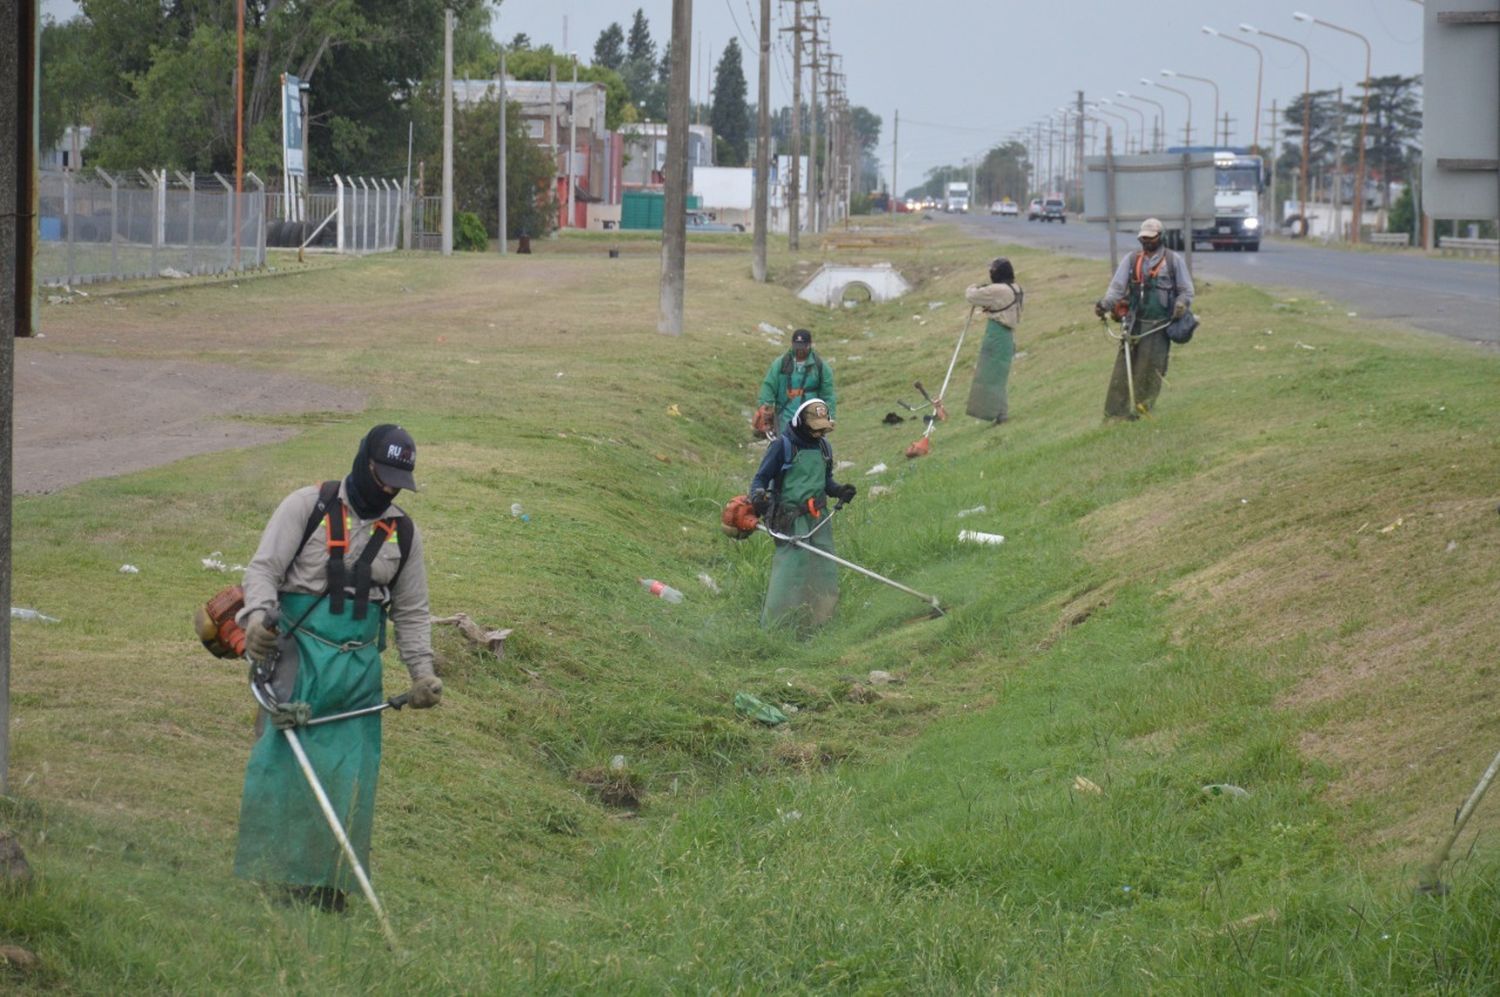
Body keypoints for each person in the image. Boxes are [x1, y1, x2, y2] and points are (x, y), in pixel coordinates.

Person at [233, 424, 441, 911]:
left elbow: (410, 611)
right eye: (381, 475)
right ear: (362, 461)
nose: (387, 488)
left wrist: (421, 672)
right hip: (296, 658)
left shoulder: (404, 533)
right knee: (284, 767)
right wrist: (260, 617)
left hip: (358, 672)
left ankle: (329, 887)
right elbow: (262, 570)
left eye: (397, 481)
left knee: (350, 775)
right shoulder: (307, 507)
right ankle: (273, 876)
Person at [748, 399, 855, 629]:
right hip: (790, 520)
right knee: (790, 575)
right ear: (799, 422)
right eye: (814, 428)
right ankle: (775, 629)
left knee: (824, 570)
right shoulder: (782, 446)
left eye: (822, 428)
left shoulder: (824, 447)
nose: (818, 434)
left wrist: (839, 491)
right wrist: (758, 497)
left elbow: (825, 481)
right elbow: (761, 478)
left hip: (819, 519)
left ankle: (819, 624)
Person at [1094, 218, 1195, 419]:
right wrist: (1104, 305)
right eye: (1143, 238)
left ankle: (1142, 411)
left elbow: (1187, 291)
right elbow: (1116, 289)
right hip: (1133, 324)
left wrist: (1181, 304)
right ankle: (1115, 415)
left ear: (1161, 237)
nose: (1146, 242)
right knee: (1123, 370)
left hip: (1159, 327)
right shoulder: (1131, 260)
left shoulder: (1173, 261)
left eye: (1151, 238)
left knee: (1150, 370)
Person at [963, 257, 1025, 424]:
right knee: (998, 377)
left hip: (997, 335)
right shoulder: (1015, 287)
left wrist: (975, 286)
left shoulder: (998, 290)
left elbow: (971, 296)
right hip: (1008, 336)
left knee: (990, 377)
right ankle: (1000, 414)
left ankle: (998, 414)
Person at [755, 328, 836, 434]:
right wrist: (765, 405)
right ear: (792, 345)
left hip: (812, 418)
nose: (800, 351)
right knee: (786, 446)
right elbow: (769, 385)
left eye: (803, 347)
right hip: (784, 416)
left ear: (810, 345)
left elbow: (828, 394)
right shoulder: (781, 363)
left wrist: (830, 417)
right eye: (797, 347)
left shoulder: (820, 366)